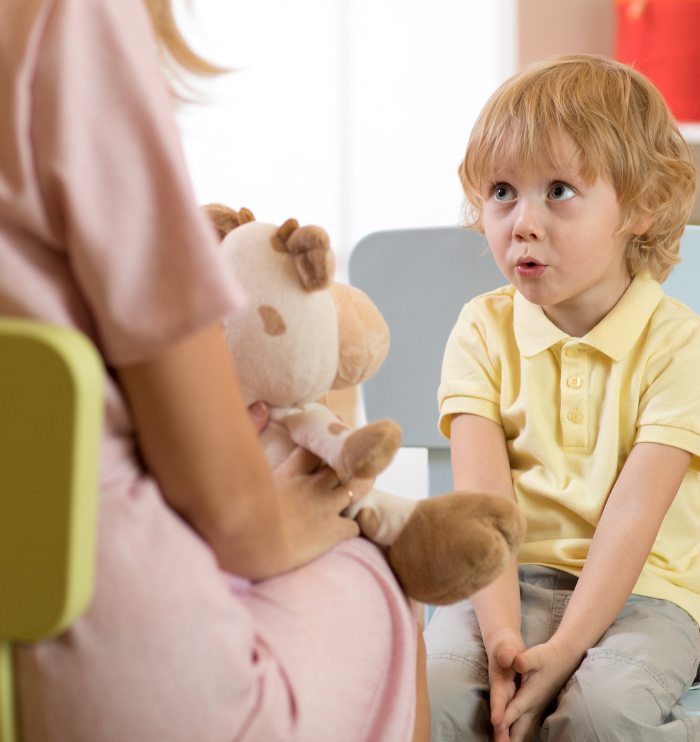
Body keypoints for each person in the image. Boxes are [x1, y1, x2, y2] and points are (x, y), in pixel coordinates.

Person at [1, 0, 427, 739]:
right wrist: (307, 514)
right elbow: (234, 517)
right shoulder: (65, 18)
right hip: (116, 665)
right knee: (384, 571)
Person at [425, 54, 700, 741]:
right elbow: (483, 511)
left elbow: (633, 520)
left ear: (643, 206)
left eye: (558, 190)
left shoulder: (678, 345)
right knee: (432, 704)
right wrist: (501, 644)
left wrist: (564, 652)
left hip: (646, 594)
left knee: (597, 716)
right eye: (501, 192)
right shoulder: (481, 331)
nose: (521, 221)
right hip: (501, 583)